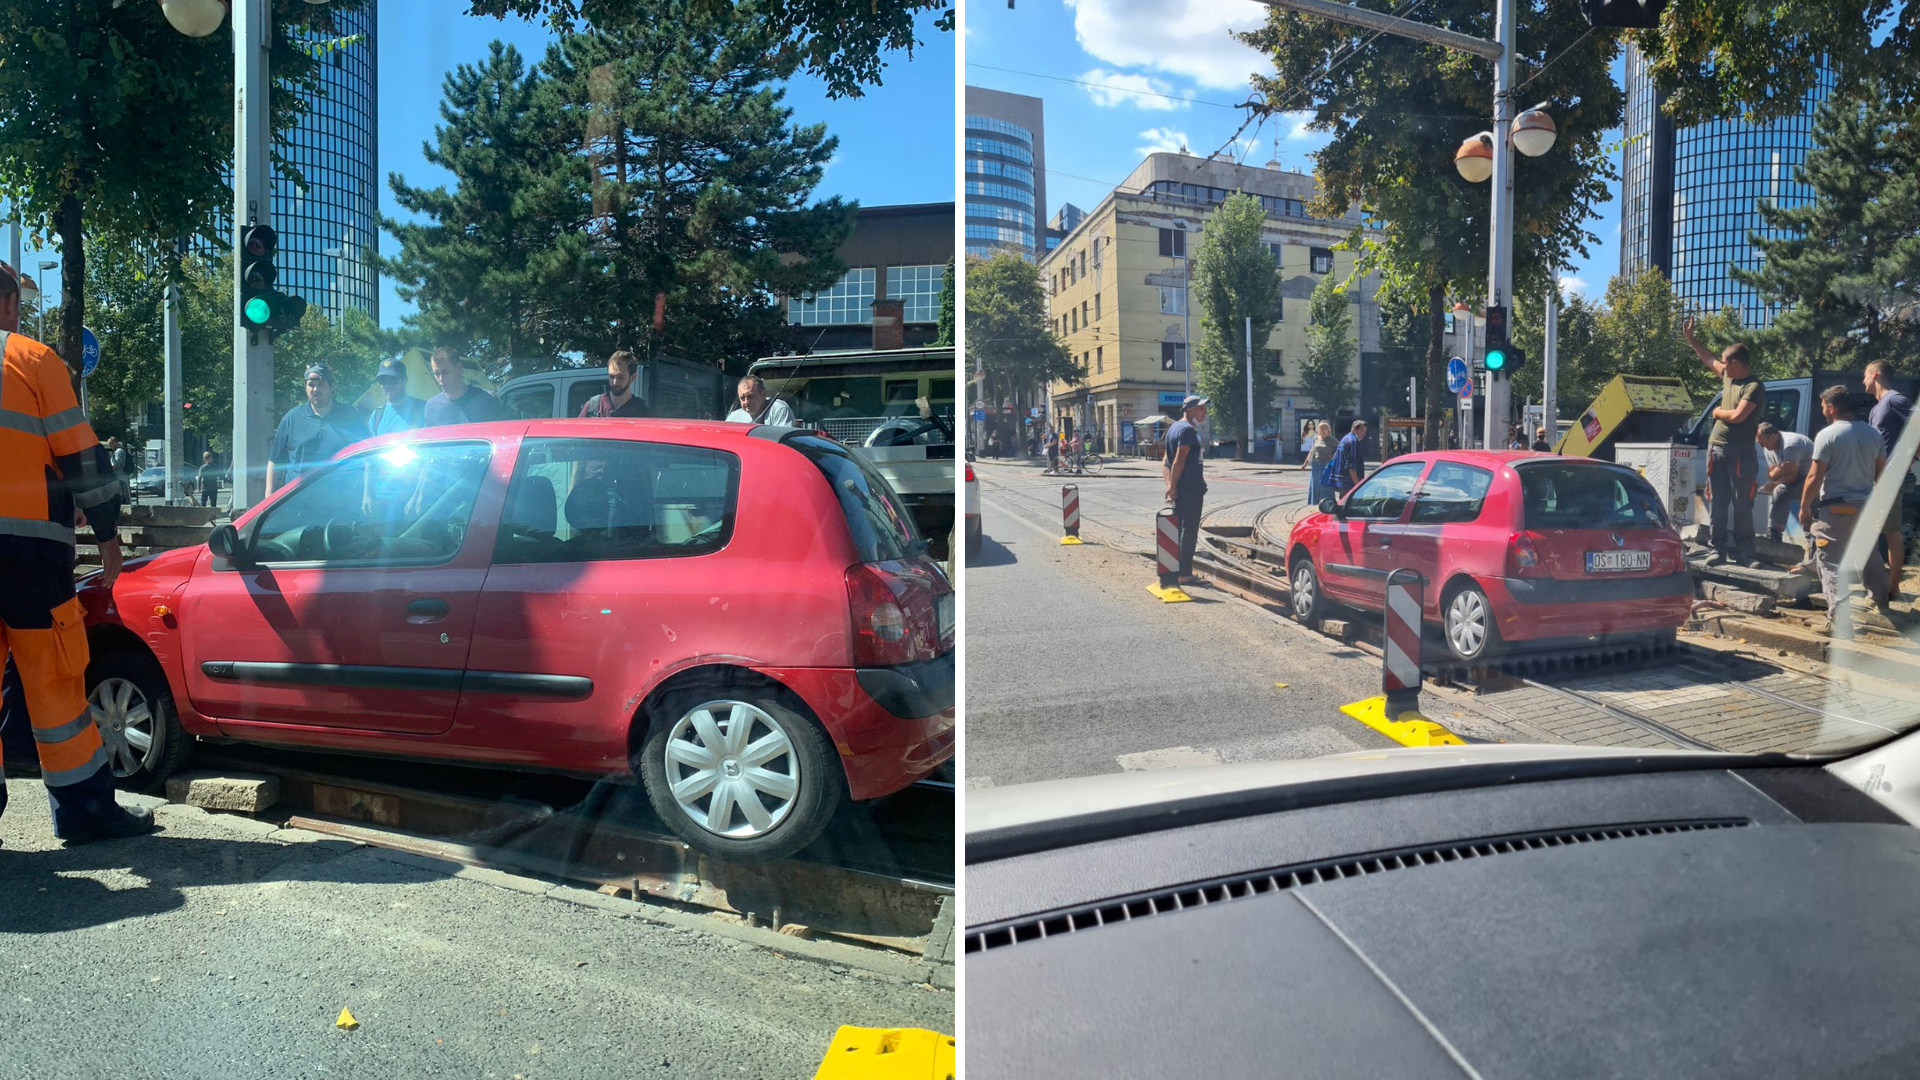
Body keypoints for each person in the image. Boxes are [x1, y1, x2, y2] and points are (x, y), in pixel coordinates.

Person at [0, 259, 156, 844]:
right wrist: (108, 536)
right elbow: (81, 458)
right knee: (56, 686)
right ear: (12, 305)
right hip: (32, 556)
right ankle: (85, 812)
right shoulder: (32, 360)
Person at [1801, 384, 1891, 636]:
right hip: (1865, 506)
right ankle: (1881, 601)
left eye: (1823, 406)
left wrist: (1804, 506)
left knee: (1829, 561)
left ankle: (1839, 620)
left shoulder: (1827, 435)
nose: (1822, 411)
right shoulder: (1873, 434)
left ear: (1831, 406)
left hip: (1836, 508)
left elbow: (1814, 476)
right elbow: (1881, 472)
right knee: (1869, 553)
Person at [1683, 318, 1764, 567]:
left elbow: (1738, 416)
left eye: (1725, 362)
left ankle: (1746, 554)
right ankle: (1717, 550)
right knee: (1717, 501)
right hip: (1715, 450)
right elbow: (1708, 358)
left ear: (1736, 363)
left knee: (1742, 504)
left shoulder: (1753, 386)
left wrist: (1717, 413)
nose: (1722, 367)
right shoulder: (1728, 378)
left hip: (1741, 453)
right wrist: (1691, 339)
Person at [266, 362, 367, 496]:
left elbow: (367, 457)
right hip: (298, 501)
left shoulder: (351, 416)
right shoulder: (292, 418)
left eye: (321, 384)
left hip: (342, 500)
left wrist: (368, 494)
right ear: (305, 387)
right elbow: (275, 463)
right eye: (311, 385)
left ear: (332, 387)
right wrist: (269, 498)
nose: (315, 390)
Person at [1864, 361, 1911, 601]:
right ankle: (1880, 585)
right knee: (1873, 533)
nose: (1863, 381)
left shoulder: (1895, 400)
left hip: (1890, 480)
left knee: (1890, 533)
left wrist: (1908, 459)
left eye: (1865, 375)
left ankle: (1891, 588)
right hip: (1875, 480)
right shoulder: (1876, 408)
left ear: (1875, 374)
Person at [1163, 395, 1209, 586]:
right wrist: (1173, 487)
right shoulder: (1188, 431)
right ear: (1189, 410)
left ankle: (1176, 570)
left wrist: (1170, 487)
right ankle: (1184, 574)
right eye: (1201, 408)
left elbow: (1165, 461)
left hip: (1182, 488)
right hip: (1190, 488)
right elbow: (1178, 460)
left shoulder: (1173, 428)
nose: (1204, 412)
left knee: (1179, 528)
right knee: (1189, 531)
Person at [1757, 422, 1813, 543]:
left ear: (1773, 436)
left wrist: (1774, 484)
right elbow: (1771, 474)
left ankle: (1775, 532)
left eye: (1762, 442)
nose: (1761, 446)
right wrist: (1780, 469)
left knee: (1780, 490)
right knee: (1778, 487)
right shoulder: (1769, 447)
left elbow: (1790, 478)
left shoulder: (1790, 445)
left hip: (1812, 479)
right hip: (1798, 478)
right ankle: (1775, 533)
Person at [366, 356, 427, 437]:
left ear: (405, 381)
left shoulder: (424, 409)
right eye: (383, 380)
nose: (388, 385)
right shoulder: (377, 416)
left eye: (392, 380)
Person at [579, 350, 651, 418]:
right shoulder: (593, 408)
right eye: (612, 376)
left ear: (633, 377)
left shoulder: (642, 411)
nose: (615, 382)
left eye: (621, 377)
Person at [726, 375, 795, 425]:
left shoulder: (779, 410)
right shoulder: (734, 418)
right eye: (742, 398)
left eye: (750, 396)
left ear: (764, 394)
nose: (746, 402)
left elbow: (782, 441)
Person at [1325, 419, 1369, 497]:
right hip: (1348, 482)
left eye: (1365, 431)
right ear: (1355, 429)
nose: (1364, 434)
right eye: (1362, 430)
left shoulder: (1345, 438)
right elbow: (1351, 467)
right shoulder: (1353, 442)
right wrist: (1358, 485)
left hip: (1342, 481)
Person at [1303, 421, 1335, 505]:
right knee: (1315, 485)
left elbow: (1341, 448)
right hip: (1316, 465)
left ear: (1328, 430)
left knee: (1325, 486)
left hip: (1326, 466)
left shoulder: (1331, 440)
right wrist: (1305, 463)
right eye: (1321, 428)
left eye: (1325, 428)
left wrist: (1334, 457)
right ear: (1318, 430)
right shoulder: (1316, 438)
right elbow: (1311, 451)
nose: (1323, 430)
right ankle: (1315, 504)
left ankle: (1326, 504)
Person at [106, 437, 130, 505]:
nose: (111, 446)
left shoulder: (119, 451)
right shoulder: (118, 451)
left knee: (120, 495)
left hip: (120, 477)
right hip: (120, 478)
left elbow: (117, 464)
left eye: (111, 444)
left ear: (115, 442)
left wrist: (109, 470)